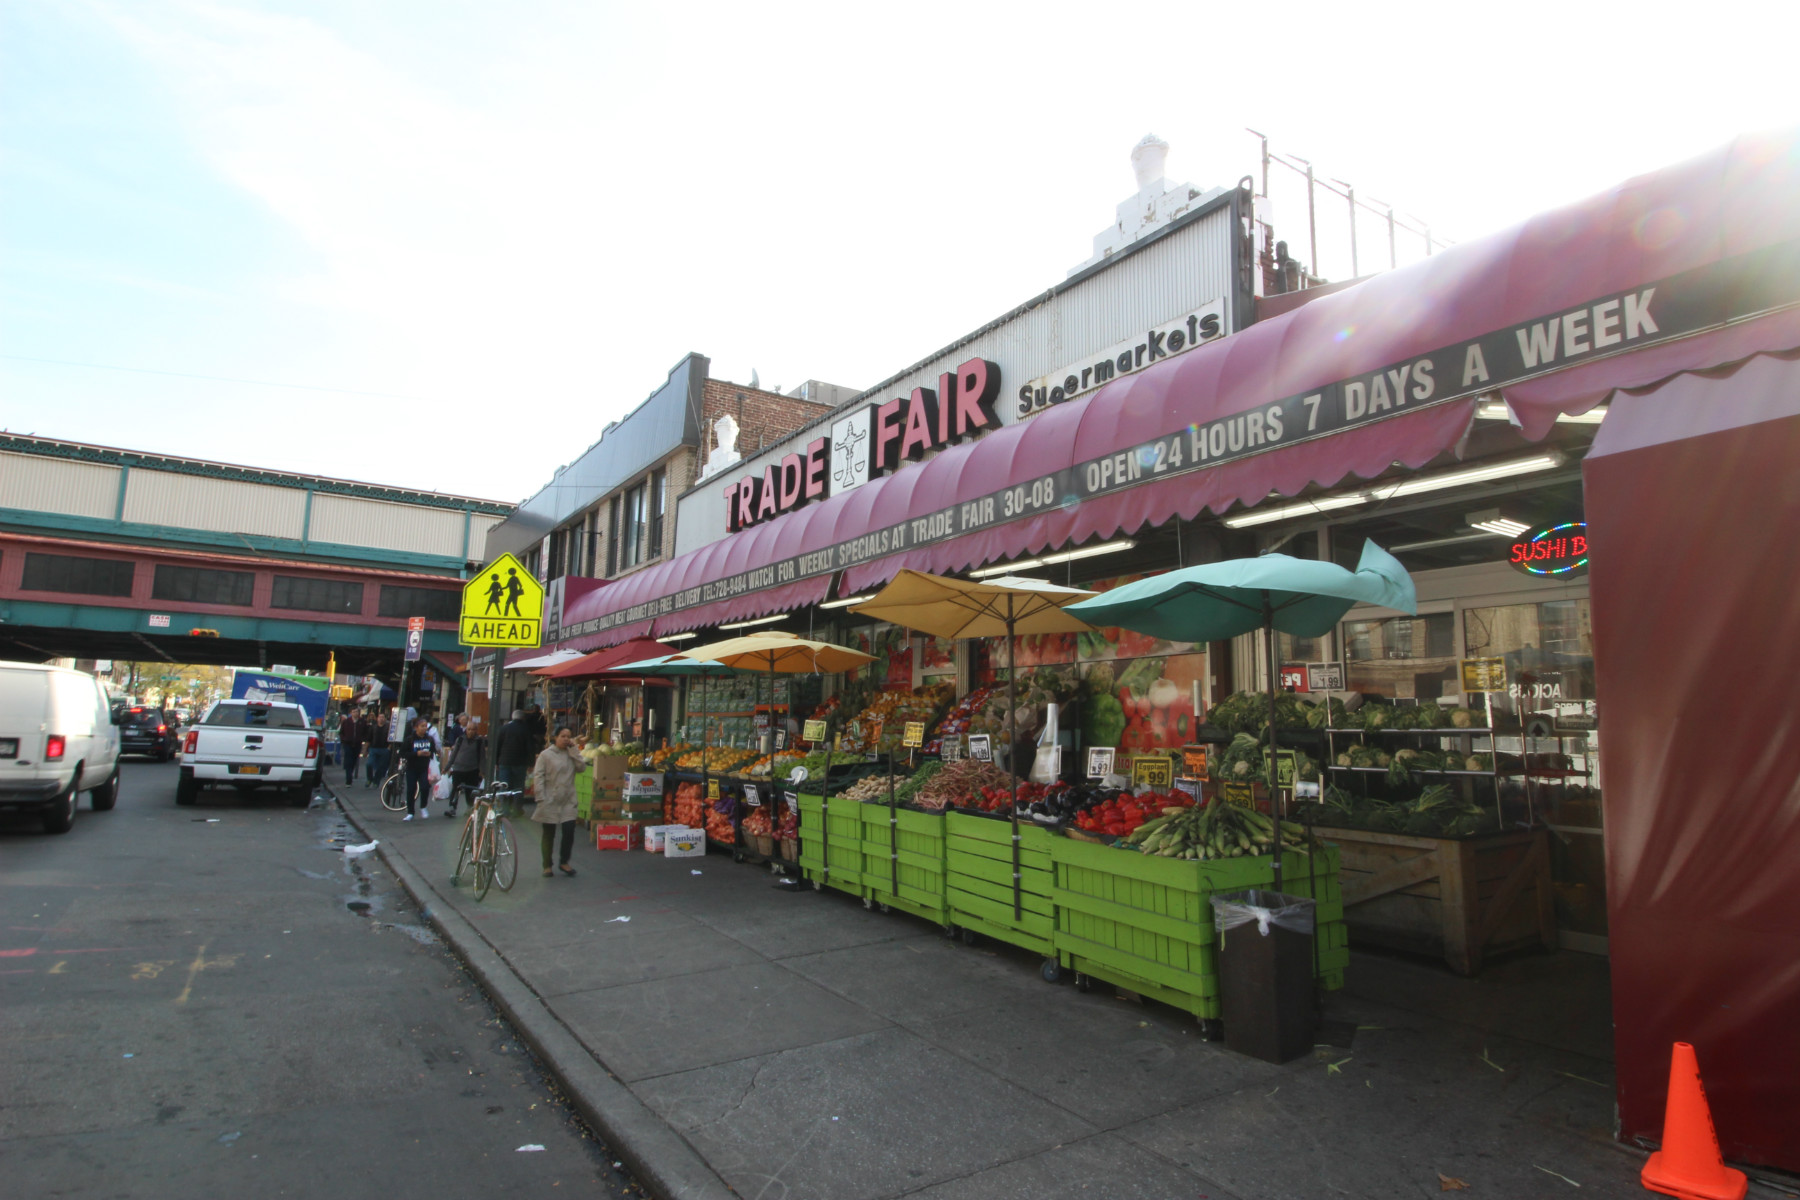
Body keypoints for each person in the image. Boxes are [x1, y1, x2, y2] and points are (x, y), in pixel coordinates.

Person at [530, 725, 586, 876]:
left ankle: (564, 861)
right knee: (549, 833)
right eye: (563, 736)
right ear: (555, 737)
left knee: (569, 831)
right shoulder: (546, 755)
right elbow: (538, 776)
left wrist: (574, 751)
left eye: (568, 736)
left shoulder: (571, 753)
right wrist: (540, 796)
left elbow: (582, 768)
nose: (566, 739)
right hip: (550, 798)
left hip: (568, 799)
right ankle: (547, 865)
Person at [443, 717, 483, 818]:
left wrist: (483, 770)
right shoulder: (460, 739)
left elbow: (482, 757)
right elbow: (454, 754)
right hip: (458, 768)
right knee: (455, 788)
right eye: (469, 729)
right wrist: (447, 767)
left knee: (470, 790)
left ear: (476, 730)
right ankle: (452, 808)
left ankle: (469, 808)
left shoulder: (479, 741)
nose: (470, 731)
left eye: (473, 729)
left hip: (472, 769)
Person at [494, 709, 534, 804]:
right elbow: (530, 748)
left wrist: (496, 762)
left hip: (504, 761)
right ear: (523, 718)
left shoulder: (504, 729)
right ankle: (517, 807)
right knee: (518, 786)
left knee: (504, 785)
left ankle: (504, 807)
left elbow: (498, 746)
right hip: (520, 762)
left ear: (512, 717)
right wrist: (531, 763)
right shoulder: (526, 729)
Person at [401, 716, 437, 821]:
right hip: (412, 767)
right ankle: (410, 812)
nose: (424, 728)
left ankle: (423, 806)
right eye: (422, 726)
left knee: (425, 787)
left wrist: (430, 753)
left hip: (425, 767)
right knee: (411, 789)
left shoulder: (429, 739)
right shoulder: (410, 739)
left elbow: (433, 751)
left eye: (425, 726)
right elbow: (403, 753)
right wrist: (416, 753)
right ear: (416, 727)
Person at [364, 706, 392, 788]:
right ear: (377, 718)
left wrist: (389, 748)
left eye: (383, 717)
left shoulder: (388, 727)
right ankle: (369, 779)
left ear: (385, 719)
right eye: (380, 717)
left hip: (384, 749)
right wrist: (365, 750)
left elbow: (391, 739)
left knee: (381, 767)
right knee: (369, 764)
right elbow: (368, 739)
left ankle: (376, 781)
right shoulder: (373, 727)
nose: (381, 719)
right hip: (373, 748)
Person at [339, 706, 364, 787]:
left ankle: (350, 774)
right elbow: (341, 732)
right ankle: (348, 780)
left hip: (357, 744)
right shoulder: (346, 722)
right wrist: (344, 739)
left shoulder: (362, 722)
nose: (355, 713)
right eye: (354, 712)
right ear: (351, 713)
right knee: (348, 761)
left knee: (354, 761)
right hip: (348, 744)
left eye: (357, 712)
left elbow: (365, 732)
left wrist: (361, 739)